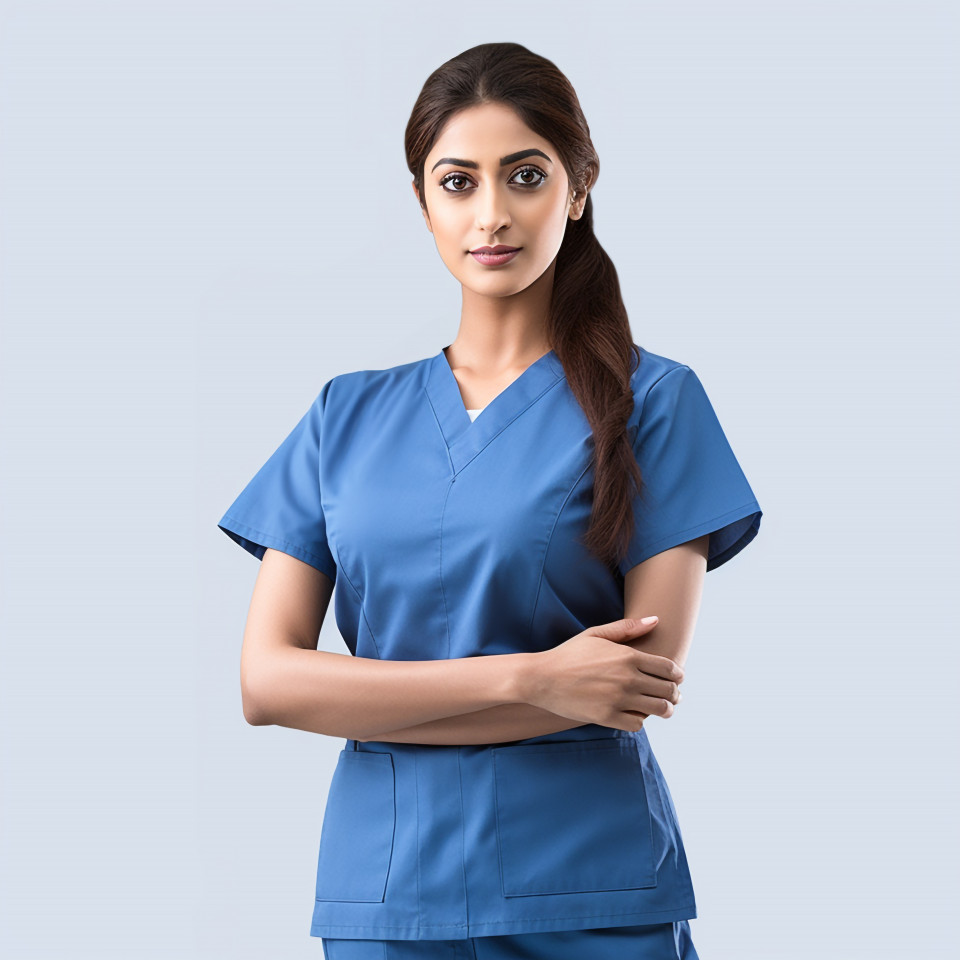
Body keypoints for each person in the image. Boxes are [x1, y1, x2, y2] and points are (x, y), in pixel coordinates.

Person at [217, 42, 762, 960]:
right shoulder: (344, 415)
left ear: (578, 189)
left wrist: (367, 695)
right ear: (424, 202)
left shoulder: (654, 404)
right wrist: (532, 678)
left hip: (590, 890)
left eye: (525, 175)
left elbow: (632, 685)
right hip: (389, 895)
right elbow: (268, 682)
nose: (492, 214)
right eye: (458, 182)